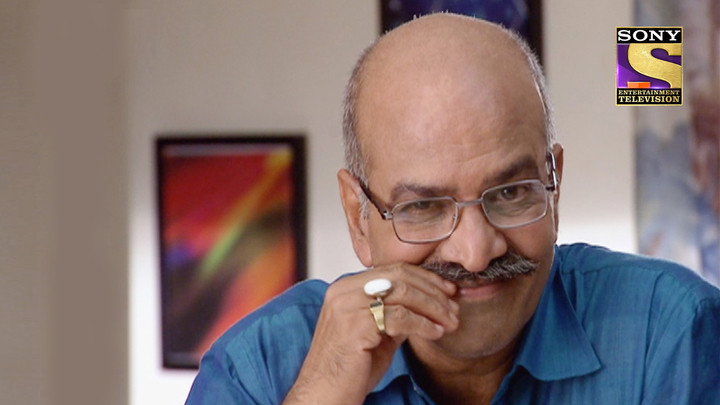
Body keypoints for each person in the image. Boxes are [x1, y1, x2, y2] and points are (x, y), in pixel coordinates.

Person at [186, 13, 720, 404]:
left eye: (511, 193)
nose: (475, 252)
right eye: (423, 206)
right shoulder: (255, 370)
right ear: (358, 217)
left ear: (554, 187)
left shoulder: (673, 332)